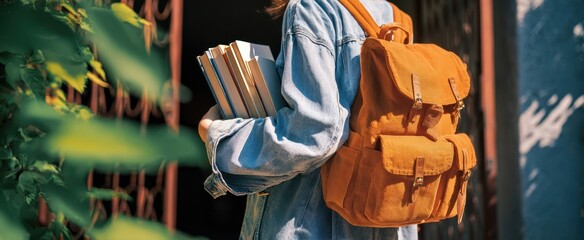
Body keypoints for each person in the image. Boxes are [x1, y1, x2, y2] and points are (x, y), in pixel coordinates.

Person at [198, 0, 418, 239]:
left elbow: (314, 133)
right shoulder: (394, 17)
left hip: (308, 227)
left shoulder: (312, 7)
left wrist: (220, 137)